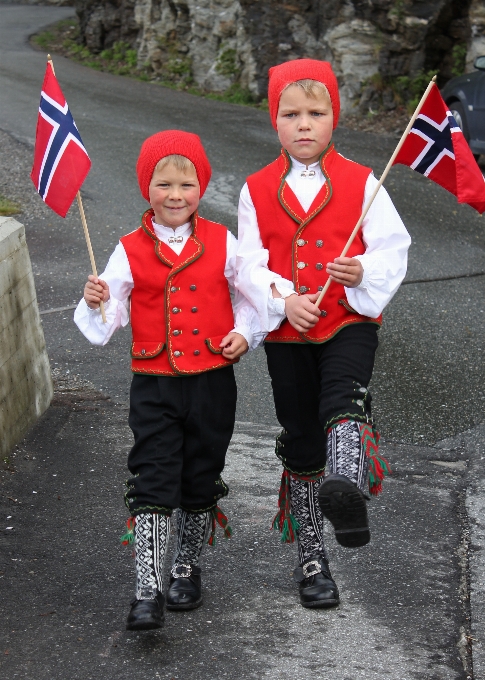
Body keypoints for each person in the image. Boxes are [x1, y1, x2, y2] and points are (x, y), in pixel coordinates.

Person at [235, 59, 411, 608]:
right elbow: (245, 263)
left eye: (317, 112)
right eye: (291, 114)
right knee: (301, 437)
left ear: (335, 117)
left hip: (349, 320)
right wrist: (283, 299)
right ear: (275, 121)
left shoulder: (365, 182)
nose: (304, 124)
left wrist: (362, 272)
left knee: (343, 399)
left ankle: (347, 484)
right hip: (289, 334)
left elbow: (393, 249)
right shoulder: (255, 188)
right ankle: (313, 557)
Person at [74, 130, 263, 630]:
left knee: (200, 475)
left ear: (201, 186)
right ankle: (147, 588)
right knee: (154, 477)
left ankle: (186, 566)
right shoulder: (128, 248)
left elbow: (254, 297)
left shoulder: (224, 242)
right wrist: (98, 302)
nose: (174, 194)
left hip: (212, 382)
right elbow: (107, 315)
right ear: (146, 187)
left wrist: (245, 332)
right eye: (163, 184)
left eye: (186, 183)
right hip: (153, 383)